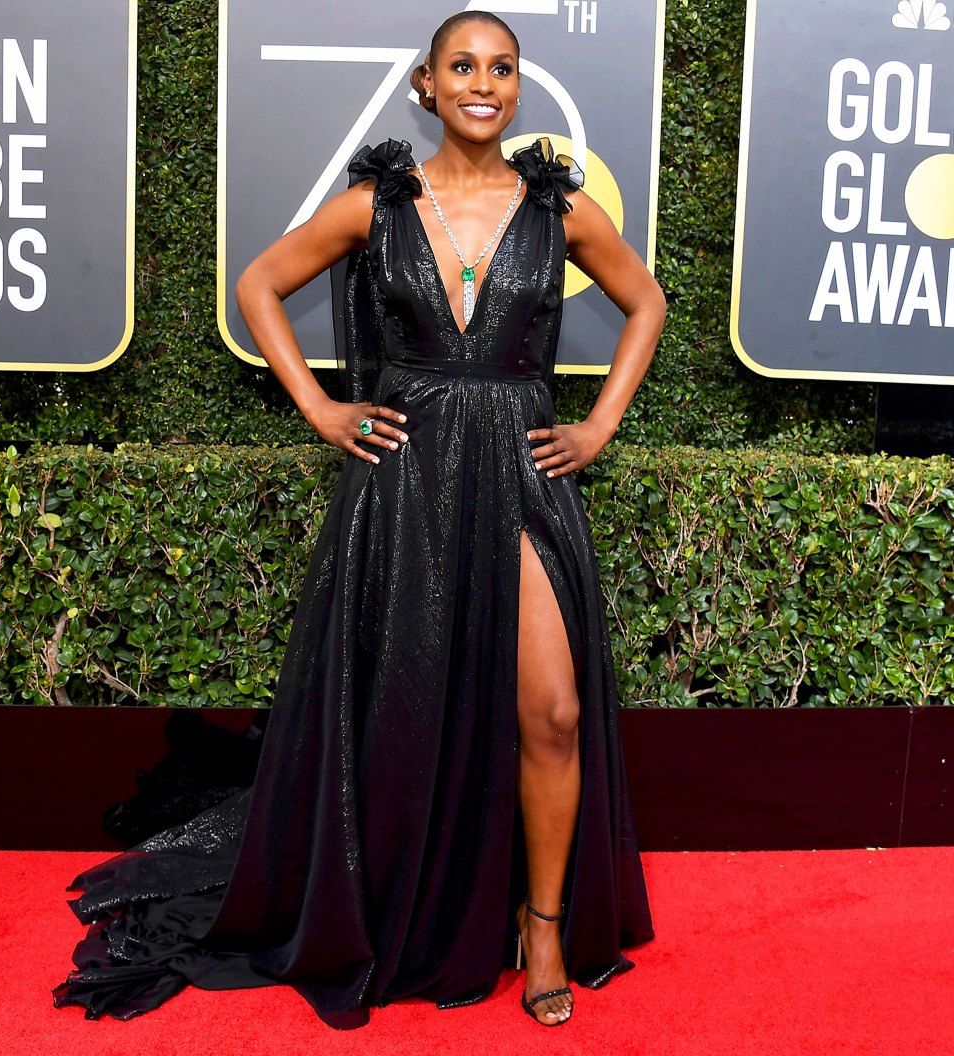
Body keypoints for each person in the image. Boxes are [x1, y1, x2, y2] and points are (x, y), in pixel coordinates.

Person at [53, 10, 664, 1030]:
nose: (482, 82)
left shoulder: (558, 208)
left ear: (518, 87)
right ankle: (410, 898)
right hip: (411, 485)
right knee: (411, 713)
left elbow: (644, 301)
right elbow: (259, 282)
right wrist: (322, 406)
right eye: (461, 66)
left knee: (551, 713)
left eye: (501, 67)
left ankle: (545, 920)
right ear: (427, 86)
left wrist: (598, 425)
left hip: (521, 473)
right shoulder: (374, 204)